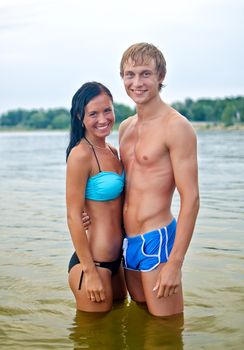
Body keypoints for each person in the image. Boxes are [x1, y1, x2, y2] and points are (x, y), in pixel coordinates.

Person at [118, 42, 200, 317]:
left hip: (159, 241)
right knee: (141, 322)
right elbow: (127, 188)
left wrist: (175, 262)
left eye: (145, 74)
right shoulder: (125, 128)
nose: (137, 82)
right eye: (130, 74)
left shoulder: (176, 127)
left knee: (166, 331)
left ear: (160, 76)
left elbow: (191, 199)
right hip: (128, 243)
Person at [66, 81, 127, 313]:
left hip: (116, 263)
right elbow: (73, 216)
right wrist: (90, 272)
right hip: (93, 264)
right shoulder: (80, 155)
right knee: (94, 340)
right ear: (80, 116)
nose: (103, 119)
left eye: (107, 110)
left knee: (119, 332)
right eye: (93, 113)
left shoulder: (112, 151)